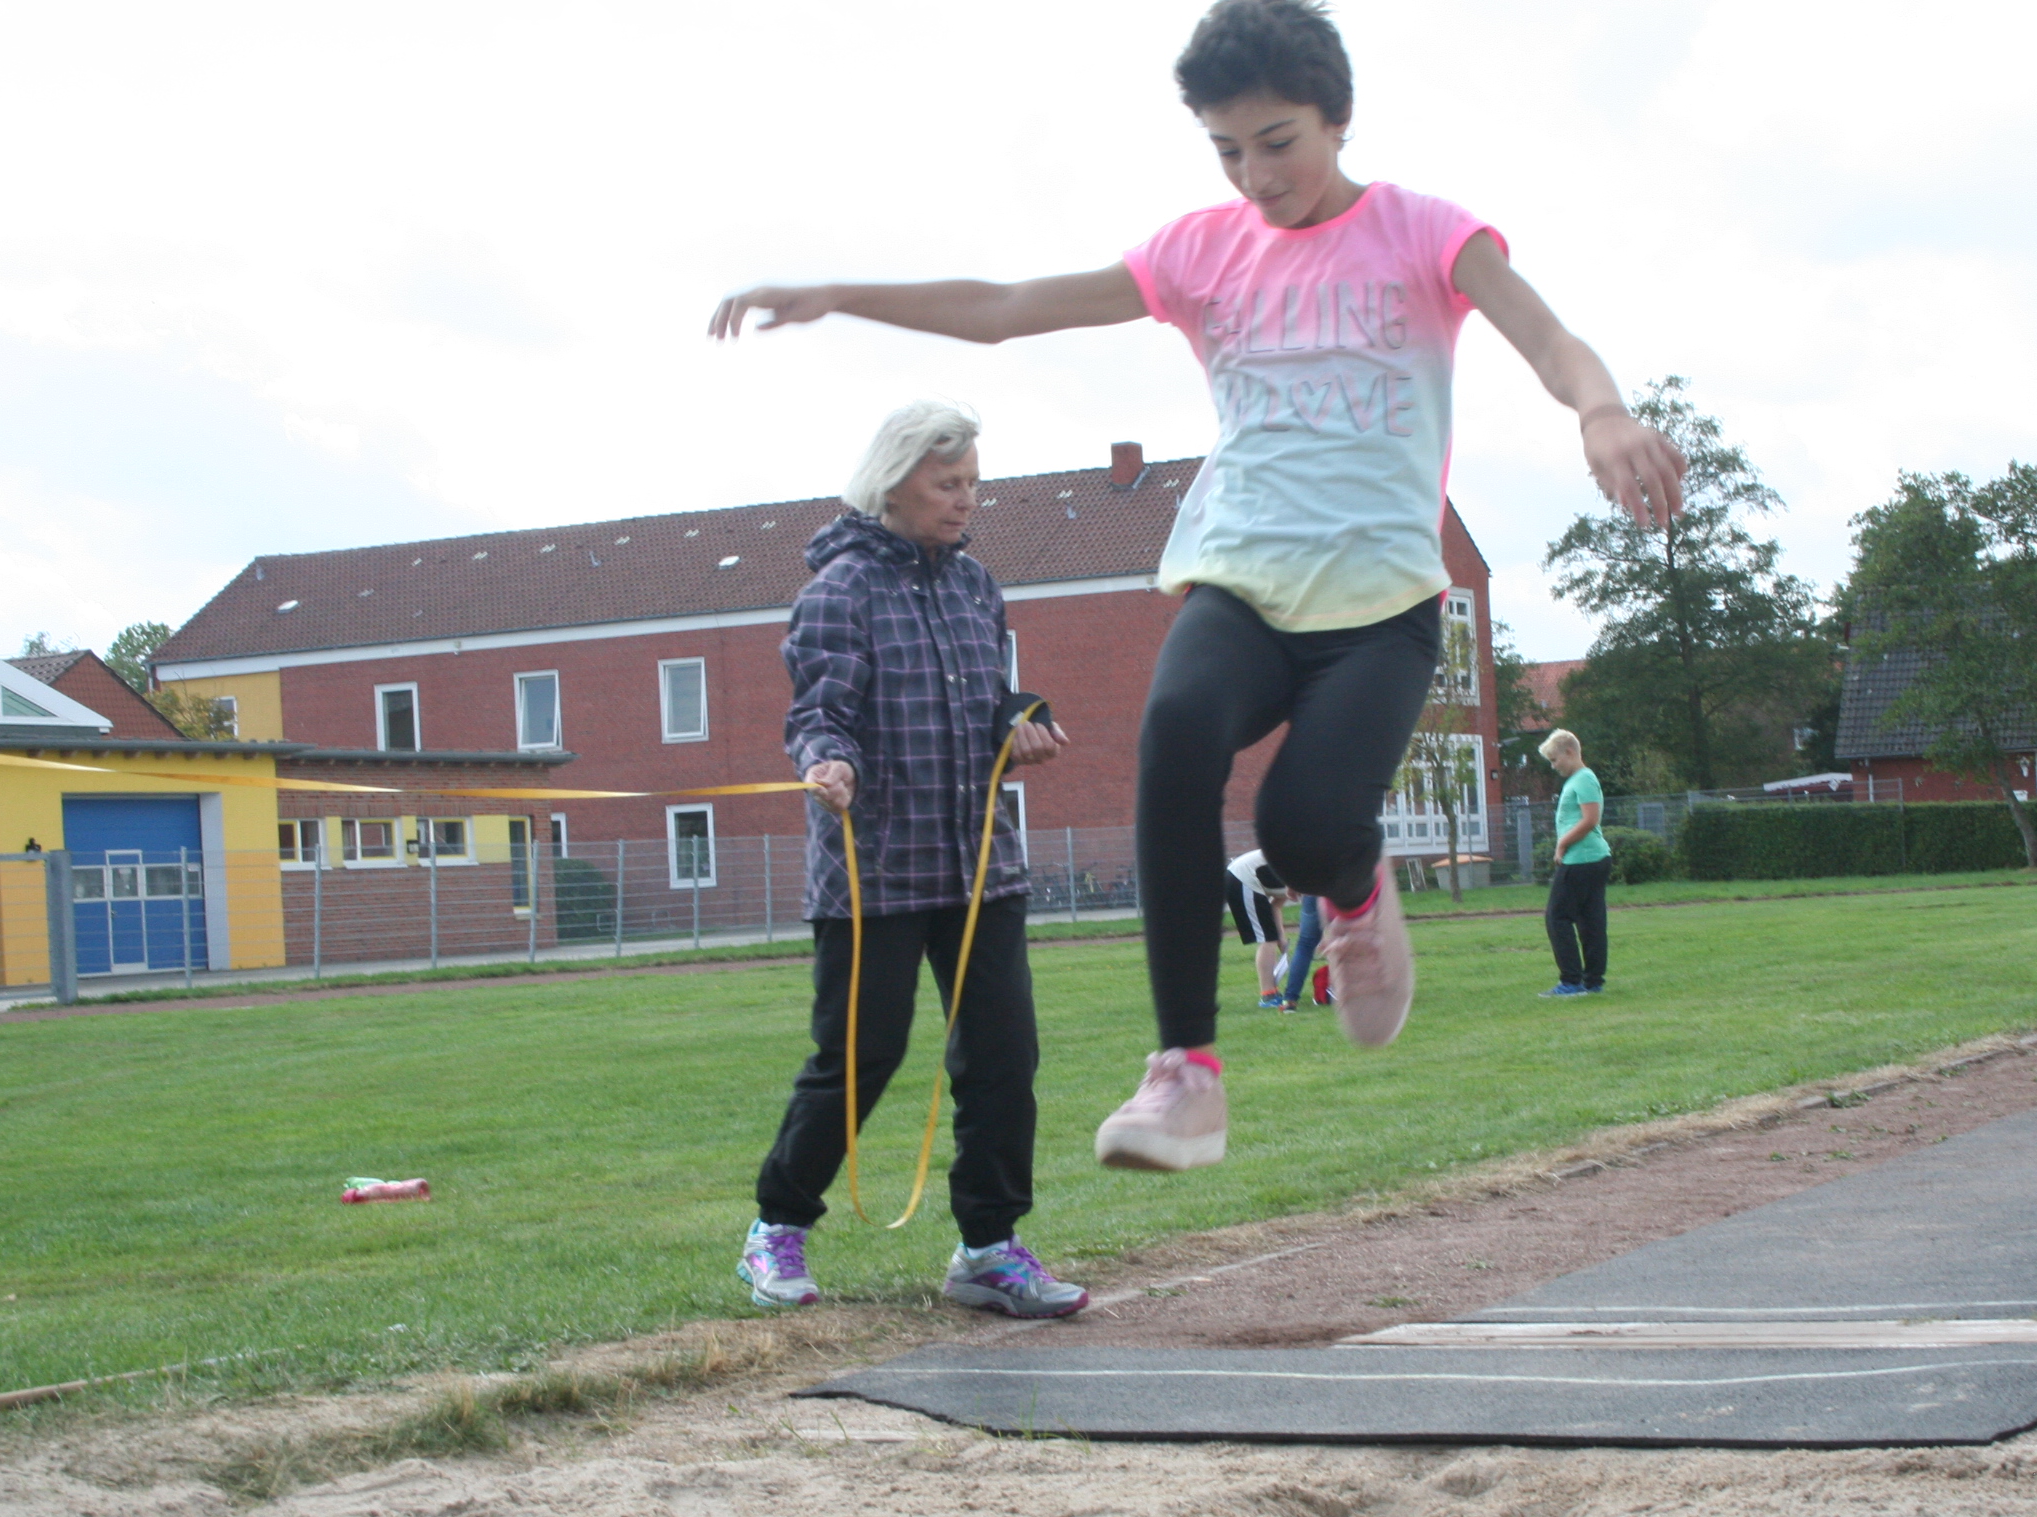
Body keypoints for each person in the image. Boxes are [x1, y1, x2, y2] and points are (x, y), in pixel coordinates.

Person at [710, 0, 1684, 1173]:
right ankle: (1187, 1074)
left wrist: (1601, 410)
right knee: (1173, 731)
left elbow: (1550, 337)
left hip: (1380, 606)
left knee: (1299, 826)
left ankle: (1356, 889)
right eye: (1227, 150)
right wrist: (842, 293)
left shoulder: (1427, 233)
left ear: (1338, 118)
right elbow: (1011, 307)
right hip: (1241, 580)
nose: (1255, 175)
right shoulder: (1203, 252)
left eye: (1277, 142)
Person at [739, 400, 1089, 1320]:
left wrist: (1024, 722)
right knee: (861, 1055)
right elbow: (820, 710)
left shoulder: (975, 586)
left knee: (1003, 1058)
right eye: (947, 483)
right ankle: (776, 1228)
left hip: (981, 869)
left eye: (973, 483)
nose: (966, 499)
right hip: (877, 870)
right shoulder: (839, 591)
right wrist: (829, 762)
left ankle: (988, 1250)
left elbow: (989, 701)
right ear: (893, 485)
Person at [1538, 730, 1609, 997]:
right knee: (1590, 920)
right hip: (1591, 859)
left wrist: (1562, 844)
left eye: (1555, 760)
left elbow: (1590, 820)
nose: (1553, 766)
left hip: (1581, 859)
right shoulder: (1580, 780)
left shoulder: (1584, 779)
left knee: (1557, 917)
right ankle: (1593, 981)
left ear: (1569, 752)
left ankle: (1571, 981)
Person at [1225, 849, 1290, 1008]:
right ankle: (1268, 996)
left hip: (1245, 877)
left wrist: (1281, 937)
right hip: (1242, 877)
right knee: (1267, 939)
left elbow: (1275, 906)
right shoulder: (1305, 875)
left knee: (1270, 937)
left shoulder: (1300, 877)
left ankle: (1271, 992)